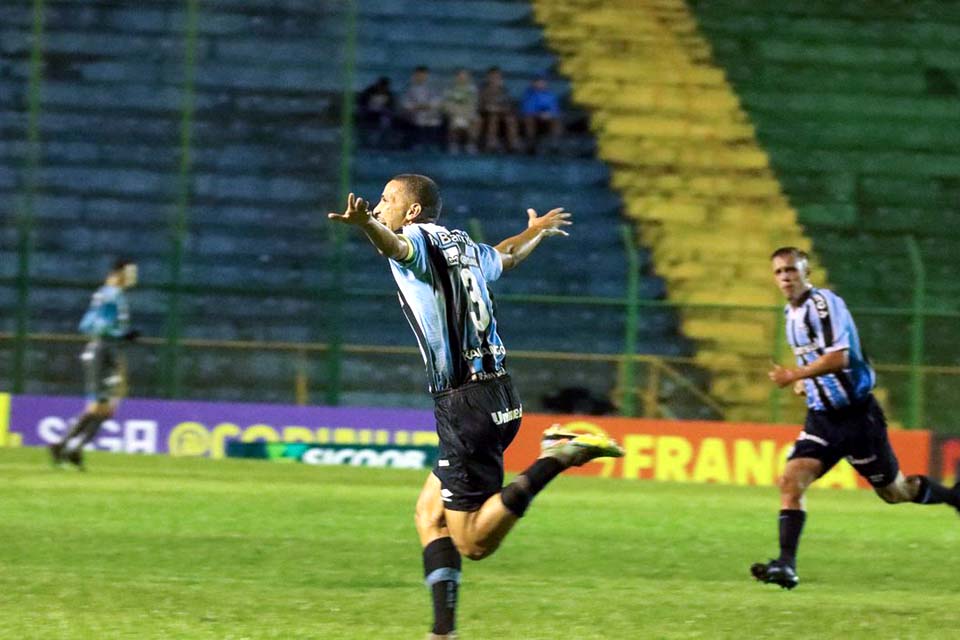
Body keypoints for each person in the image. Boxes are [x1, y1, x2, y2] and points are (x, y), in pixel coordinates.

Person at [327, 175, 623, 639]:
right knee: (430, 514)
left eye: (387, 201)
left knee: (473, 543)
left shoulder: (416, 241)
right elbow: (505, 254)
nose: (379, 205)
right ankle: (443, 632)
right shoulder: (461, 245)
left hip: (465, 405)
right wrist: (536, 231)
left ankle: (555, 458)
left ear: (412, 213)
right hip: (499, 393)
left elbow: (394, 248)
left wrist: (367, 226)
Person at [751, 247, 960, 590]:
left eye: (791, 270)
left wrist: (796, 374)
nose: (786, 277)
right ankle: (786, 565)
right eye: (779, 272)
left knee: (895, 492)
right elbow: (820, 361)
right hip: (822, 418)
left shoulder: (823, 304)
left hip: (857, 418)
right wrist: (806, 382)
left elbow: (840, 357)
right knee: (791, 481)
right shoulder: (791, 313)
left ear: (807, 273)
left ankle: (954, 498)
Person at [49, 259, 139, 470]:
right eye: (130, 272)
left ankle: (72, 448)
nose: (133, 277)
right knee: (96, 406)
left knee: (107, 409)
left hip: (110, 351)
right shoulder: (110, 295)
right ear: (118, 273)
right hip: (102, 350)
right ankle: (63, 446)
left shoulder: (112, 295)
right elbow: (89, 325)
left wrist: (121, 336)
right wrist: (121, 333)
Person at [478, 66, 520, 153]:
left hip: (501, 113)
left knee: (510, 119)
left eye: (497, 77)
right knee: (493, 118)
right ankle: (491, 142)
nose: (495, 79)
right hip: (486, 113)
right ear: (488, 77)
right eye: (493, 77)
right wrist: (488, 107)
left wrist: (502, 108)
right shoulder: (482, 89)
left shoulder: (503, 90)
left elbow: (509, 104)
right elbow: (479, 105)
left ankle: (513, 142)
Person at [400, 66, 443, 151]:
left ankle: (431, 144)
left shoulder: (433, 88)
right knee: (418, 119)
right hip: (414, 113)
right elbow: (405, 103)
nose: (422, 77)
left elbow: (437, 101)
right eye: (419, 75)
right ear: (415, 75)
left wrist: (427, 106)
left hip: (429, 112)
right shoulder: (409, 88)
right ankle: (416, 143)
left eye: (424, 75)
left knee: (434, 119)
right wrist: (416, 107)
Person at [520, 73, 562, 154]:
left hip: (547, 119)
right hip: (533, 117)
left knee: (556, 120)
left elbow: (555, 110)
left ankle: (555, 145)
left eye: (542, 82)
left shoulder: (551, 95)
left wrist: (550, 114)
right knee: (529, 119)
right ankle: (531, 145)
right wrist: (538, 114)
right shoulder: (528, 94)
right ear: (533, 83)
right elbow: (526, 109)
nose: (540, 84)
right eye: (538, 82)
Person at [442, 68, 480, 154]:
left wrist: (464, 113)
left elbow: (473, 104)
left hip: (467, 113)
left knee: (476, 120)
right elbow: (446, 104)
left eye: (465, 76)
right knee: (454, 119)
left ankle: (470, 144)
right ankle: (453, 144)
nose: (462, 78)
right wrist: (457, 112)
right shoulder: (449, 89)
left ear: (468, 77)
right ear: (456, 77)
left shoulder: (472, 89)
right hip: (454, 113)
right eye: (460, 76)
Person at [357, 76, 396, 146]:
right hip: (368, 112)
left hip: (381, 114)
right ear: (378, 85)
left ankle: (383, 139)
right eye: (381, 87)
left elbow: (391, 108)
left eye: (384, 88)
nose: (382, 89)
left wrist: (387, 112)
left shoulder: (389, 94)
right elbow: (361, 104)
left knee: (386, 121)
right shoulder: (368, 91)